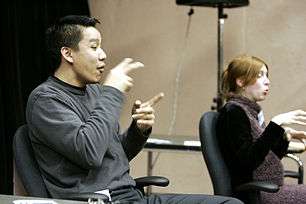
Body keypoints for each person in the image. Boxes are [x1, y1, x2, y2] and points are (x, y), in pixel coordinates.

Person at [26, 15, 242, 204]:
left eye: (101, 46)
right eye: (94, 47)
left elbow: (112, 157)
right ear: (68, 54)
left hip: (130, 196)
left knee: (230, 203)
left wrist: (138, 131)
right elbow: (89, 153)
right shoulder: (45, 100)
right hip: (97, 200)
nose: (103, 55)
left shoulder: (94, 93)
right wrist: (111, 91)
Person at [217, 54, 306, 203]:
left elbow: (266, 157)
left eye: (267, 76)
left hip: (268, 188)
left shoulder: (250, 111)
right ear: (241, 81)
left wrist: (284, 137)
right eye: (260, 76)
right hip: (257, 193)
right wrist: (275, 124)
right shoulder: (234, 112)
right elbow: (247, 162)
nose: (268, 82)